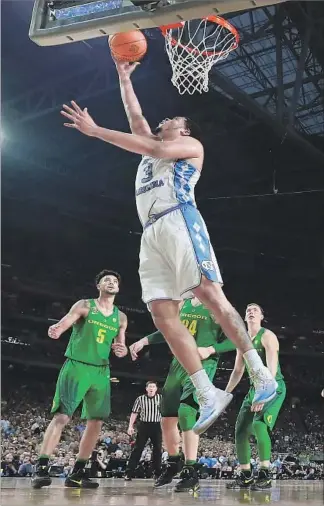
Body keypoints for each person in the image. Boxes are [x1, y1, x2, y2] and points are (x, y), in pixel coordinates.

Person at [61, 62, 277, 434]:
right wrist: (123, 77)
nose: (166, 118)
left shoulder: (189, 146)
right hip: (150, 233)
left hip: (180, 220)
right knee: (162, 313)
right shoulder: (152, 150)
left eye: (174, 117)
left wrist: (95, 131)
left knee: (210, 295)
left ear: (184, 129)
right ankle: (207, 391)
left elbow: (147, 141)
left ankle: (259, 373)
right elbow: (137, 117)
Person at [31, 270, 128, 489]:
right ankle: (42, 467)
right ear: (99, 286)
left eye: (114, 281)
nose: (111, 283)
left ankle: (77, 472)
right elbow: (66, 321)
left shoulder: (121, 317)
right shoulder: (85, 305)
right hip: (77, 366)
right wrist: (57, 329)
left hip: (101, 371)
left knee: (96, 422)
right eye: (107, 280)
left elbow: (121, 347)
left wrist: (122, 350)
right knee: (62, 417)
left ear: (118, 288)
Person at [129, 297, 236, 492]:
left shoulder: (218, 305)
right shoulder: (183, 303)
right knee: (167, 419)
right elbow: (169, 330)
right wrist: (144, 341)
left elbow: (236, 337)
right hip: (177, 364)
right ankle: (173, 462)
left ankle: (190, 470)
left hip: (202, 364)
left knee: (187, 412)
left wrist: (212, 349)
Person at [226, 303, 286, 490]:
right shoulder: (242, 340)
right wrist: (224, 393)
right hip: (254, 388)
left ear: (261, 317)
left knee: (259, 425)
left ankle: (265, 473)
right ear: (244, 318)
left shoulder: (268, 336)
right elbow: (238, 370)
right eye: (248, 311)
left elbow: (272, 369)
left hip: (273, 386)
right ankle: (245, 474)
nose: (251, 312)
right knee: (240, 430)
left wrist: (263, 395)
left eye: (255, 310)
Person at [125, 381, 162, 480]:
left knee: (158, 449)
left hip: (157, 425)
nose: (151, 388)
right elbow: (134, 413)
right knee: (138, 448)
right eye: (150, 386)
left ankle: (157, 472)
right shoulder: (140, 399)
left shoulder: (161, 398)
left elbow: (166, 412)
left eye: (153, 386)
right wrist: (130, 426)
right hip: (144, 425)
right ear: (146, 388)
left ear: (156, 389)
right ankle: (129, 472)